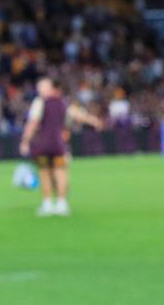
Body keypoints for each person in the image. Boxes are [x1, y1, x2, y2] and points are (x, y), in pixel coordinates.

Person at [19, 77, 102, 217]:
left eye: (41, 87)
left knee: (45, 173)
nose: (39, 90)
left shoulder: (40, 102)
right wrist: (93, 120)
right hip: (59, 145)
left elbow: (33, 122)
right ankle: (62, 204)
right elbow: (78, 115)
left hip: (43, 145)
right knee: (61, 173)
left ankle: (47, 204)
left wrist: (25, 141)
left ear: (49, 88)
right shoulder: (63, 103)